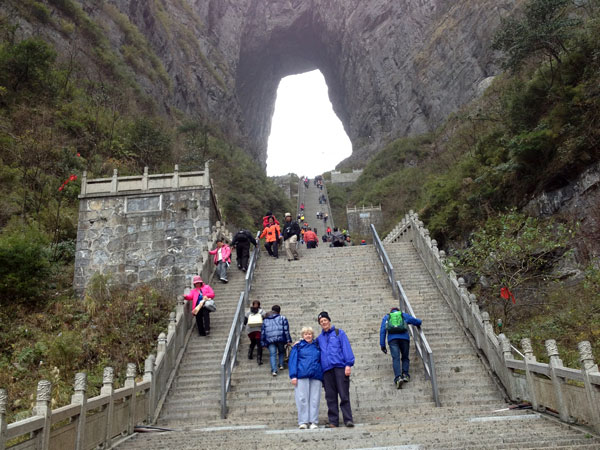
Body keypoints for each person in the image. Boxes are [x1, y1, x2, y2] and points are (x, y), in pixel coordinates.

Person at [316, 311, 355, 428]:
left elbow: (346, 348)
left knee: (344, 394)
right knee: (330, 397)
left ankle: (348, 419)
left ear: (329, 321)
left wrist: (348, 364)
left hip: (339, 367)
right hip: (327, 370)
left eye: (325, 320)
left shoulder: (339, 333)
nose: (323, 323)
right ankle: (333, 421)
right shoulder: (319, 338)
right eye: (321, 322)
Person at [289, 326, 323, 430]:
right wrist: (293, 375)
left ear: (312, 335)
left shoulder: (317, 345)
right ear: (302, 336)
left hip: (316, 375)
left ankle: (313, 421)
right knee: (302, 399)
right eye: (306, 334)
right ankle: (303, 421)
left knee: (315, 399)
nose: (308, 336)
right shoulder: (298, 346)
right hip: (301, 375)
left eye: (310, 334)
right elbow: (293, 361)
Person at [380, 307, 423, 388]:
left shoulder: (387, 317)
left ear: (391, 312)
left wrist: (382, 345)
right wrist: (420, 322)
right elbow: (414, 320)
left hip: (392, 340)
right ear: (398, 311)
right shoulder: (403, 315)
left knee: (395, 358)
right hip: (404, 339)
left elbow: (382, 331)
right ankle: (405, 374)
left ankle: (398, 378)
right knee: (405, 357)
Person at [260, 305, 292, 376]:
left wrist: (262, 343)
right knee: (281, 351)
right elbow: (286, 330)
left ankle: (274, 370)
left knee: (272, 354)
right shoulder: (282, 318)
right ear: (279, 311)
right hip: (280, 338)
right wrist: (288, 340)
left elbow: (263, 332)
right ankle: (281, 365)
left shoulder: (265, 320)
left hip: (270, 339)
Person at [244, 300, 266, 365]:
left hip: (250, 330)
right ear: (259, 305)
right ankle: (259, 359)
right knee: (259, 344)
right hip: (258, 329)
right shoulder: (262, 312)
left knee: (253, 342)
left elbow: (245, 321)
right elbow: (265, 320)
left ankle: (250, 354)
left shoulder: (248, 312)